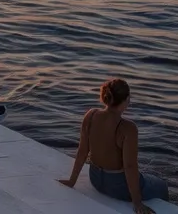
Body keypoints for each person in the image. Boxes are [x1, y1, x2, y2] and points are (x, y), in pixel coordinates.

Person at [59, 79, 169, 213]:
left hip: (95, 178)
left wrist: (72, 181)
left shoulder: (91, 115)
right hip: (117, 186)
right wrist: (137, 202)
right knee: (161, 185)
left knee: (145, 176)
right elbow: (129, 166)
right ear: (127, 99)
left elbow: (82, 151)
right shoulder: (128, 128)